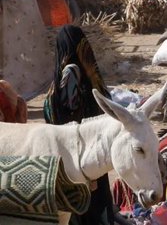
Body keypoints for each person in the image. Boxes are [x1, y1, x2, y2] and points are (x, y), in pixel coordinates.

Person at [44, 26, 117, 225]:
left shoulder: (70, 76)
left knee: (81, 210)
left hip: (75, 159)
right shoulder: (90, 77)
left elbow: (69, 121)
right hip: (92, 156)